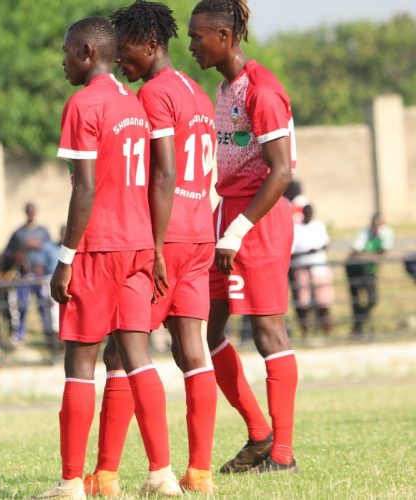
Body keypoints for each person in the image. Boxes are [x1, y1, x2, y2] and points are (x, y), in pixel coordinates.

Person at [34, 17, 178, 500]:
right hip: (138, 245)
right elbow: (159, 176)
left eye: (67, 51)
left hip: (98, 247)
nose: (63, 61)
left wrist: (64, 256)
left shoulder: (83, 103)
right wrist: (155, 248)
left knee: (80, 364)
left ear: (87, 53)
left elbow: (86, 190)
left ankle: (72, 482)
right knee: (138, 358)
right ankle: (162, 475)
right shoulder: (134, 105)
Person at [82, 2, 219, 495]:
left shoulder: (155, 95)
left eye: (127, 49)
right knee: (192, 351)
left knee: (122, 353)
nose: (120, 59)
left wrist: (155, 246)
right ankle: (199, 474)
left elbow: (163, 173)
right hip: (201, 232)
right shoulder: (198, 93)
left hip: (167, 237)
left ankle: (106, 475)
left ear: (153, 43)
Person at [189, 0, 299, 474]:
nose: (191, 45)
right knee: (207, 333)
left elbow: (280, 174)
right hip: (227, 217)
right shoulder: (225, 87)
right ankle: (258, 432)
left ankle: (283, 453)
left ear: (225, 37)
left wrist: (237, 230)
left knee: (269, 333)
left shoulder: (263, 90)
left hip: (259, 220)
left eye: (198, 37)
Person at [5, 203, 54, 346]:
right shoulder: (19, 233)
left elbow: (52, 250)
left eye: (33, 211)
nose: (30, 214)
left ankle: (48, 335)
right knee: (22, 306)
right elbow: (8, 251)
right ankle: (19, 337)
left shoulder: (43, 232)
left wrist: (39, 246)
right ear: (25, 212)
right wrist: (18, 254)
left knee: (44, 306)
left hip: (41, 276)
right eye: (28, 211)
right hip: (24, 275)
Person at [345, 212, 394, 336]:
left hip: (369, 271)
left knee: (372, 299)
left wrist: (369, 257)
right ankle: (357, 329)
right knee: (356, 301)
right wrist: (371, 256)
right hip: (355, 270)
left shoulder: (386, 233)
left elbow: (382, 253)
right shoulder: (364, 234)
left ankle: (359, 325)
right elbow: (356, 253)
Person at [290, 204, 334, 335]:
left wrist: (314, 251)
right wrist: (308, 252)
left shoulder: (318, 226)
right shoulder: (296, 228)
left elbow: (325, 244)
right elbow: (292, 251)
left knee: (323, 301)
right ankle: (306, 331)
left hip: (318, 268)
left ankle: (326, 330)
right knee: (304, 302)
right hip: (302, 267)